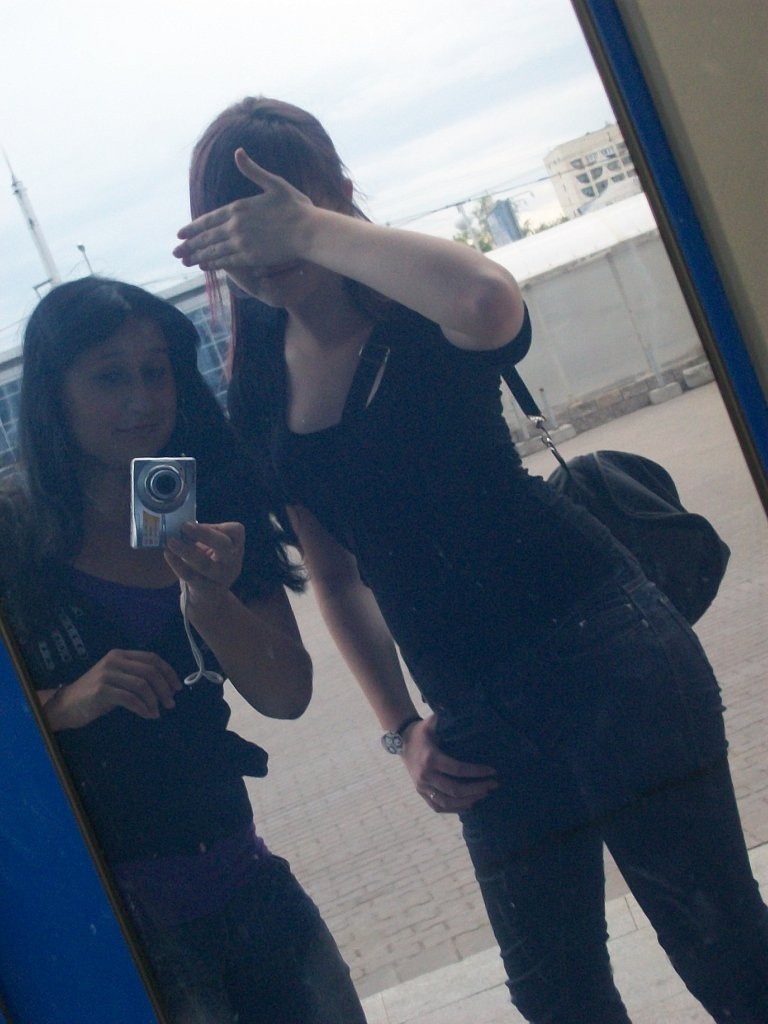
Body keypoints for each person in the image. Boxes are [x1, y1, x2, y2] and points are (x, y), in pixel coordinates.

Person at [173, 97, 768, 1023]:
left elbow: (490, 301)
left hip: (606, 651)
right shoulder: (256, 381)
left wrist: (312, 229)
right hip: (470, 717)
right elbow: (335, 575)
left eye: (279, 206)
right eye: (237, 219)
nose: (264, 238)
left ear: (333, 195)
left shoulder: (418, 304)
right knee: (555, 993)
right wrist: (400, 728)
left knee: (720, 946)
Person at [0, 277, 367, 1024]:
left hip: (248, 888)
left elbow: (287, 694)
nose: (141, 399)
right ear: (53, 393)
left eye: (156, 371)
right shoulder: (13, 535)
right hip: (107, 926)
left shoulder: (208, 511)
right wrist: (62, 704)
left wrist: (209, 600)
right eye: (109, 377)